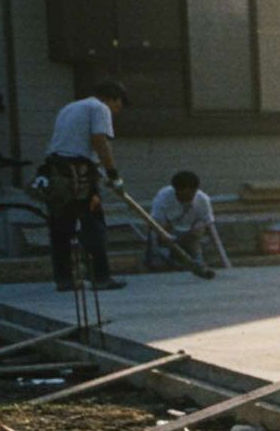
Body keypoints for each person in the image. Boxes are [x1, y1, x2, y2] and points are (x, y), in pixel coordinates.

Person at [32, 80, 128, 291]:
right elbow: (99, 141)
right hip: (79, 175)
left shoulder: (70, 107)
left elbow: (72, 143)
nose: (116, 110)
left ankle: (65, 280)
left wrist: (97, 168)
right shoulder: (99, 108)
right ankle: (101, 278)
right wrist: (113, 174)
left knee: (61, 227)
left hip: (57, 171)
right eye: (118, 105)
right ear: (112, 98)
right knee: (93, 224)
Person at [145, 170, 215, 276]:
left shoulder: (203, 199)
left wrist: (196, 233)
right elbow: (154, 223)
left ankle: (199, 264)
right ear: (176, 190)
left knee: (196, 237)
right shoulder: (163, 197)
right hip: (167, 232)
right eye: (183, 196)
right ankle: (161, 263)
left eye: (191, 195)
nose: (187, 198)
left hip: (190, 233)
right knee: (157, 244)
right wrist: (166, 236)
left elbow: (208, 223)